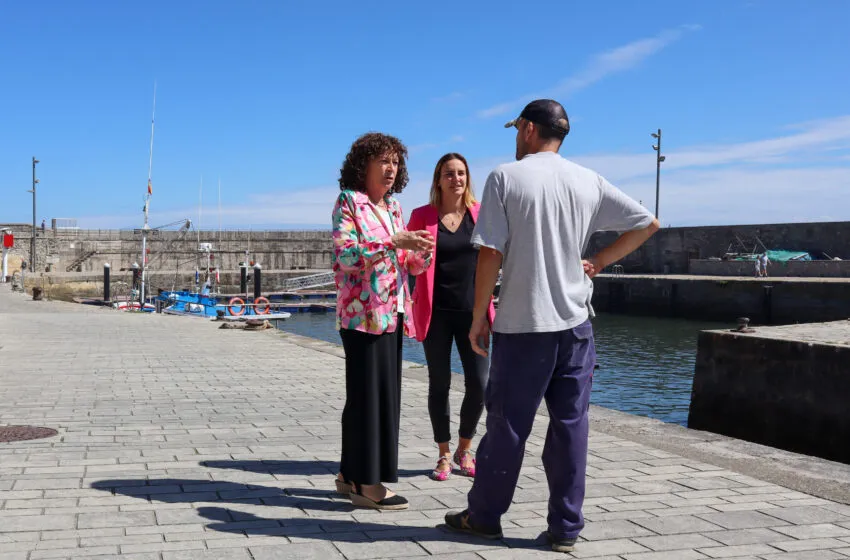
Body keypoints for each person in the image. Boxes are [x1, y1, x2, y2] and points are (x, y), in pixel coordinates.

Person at [443, 99, 660, 553]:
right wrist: (598, 261)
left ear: (526, 129)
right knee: (571, 426)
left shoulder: (506, 176)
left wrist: (481, 314)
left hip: (524, 325)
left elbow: (490, 253)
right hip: (577, 325)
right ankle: (564, 528)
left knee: (506, 427)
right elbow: (647, 223)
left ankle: (484, 518)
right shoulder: (587, 180)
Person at [331, 132, 434, 511]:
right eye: (383, 161)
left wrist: (420, 255)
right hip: (361, 316)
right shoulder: (349, 202)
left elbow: (402, 262)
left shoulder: (393, 208)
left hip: (391, 314)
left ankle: (348, 474)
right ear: (364, 165)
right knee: (367, 399)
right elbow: (346, 256)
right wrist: (395, 243)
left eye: (395, 162)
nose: (391, 169)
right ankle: (366, 484)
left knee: (378, 397)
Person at [407, 153, 496, 482]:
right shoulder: (421, 216)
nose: (455, 179)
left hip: (475, 314)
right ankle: (444, 454)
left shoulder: (482, 214)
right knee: (439, 384)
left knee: (480, 385)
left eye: (461, 173)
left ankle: (464, 448)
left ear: (467, 178)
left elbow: (496, 256)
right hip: (436, 315)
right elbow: (406, 260)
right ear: (438, 180)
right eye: (449, 173)